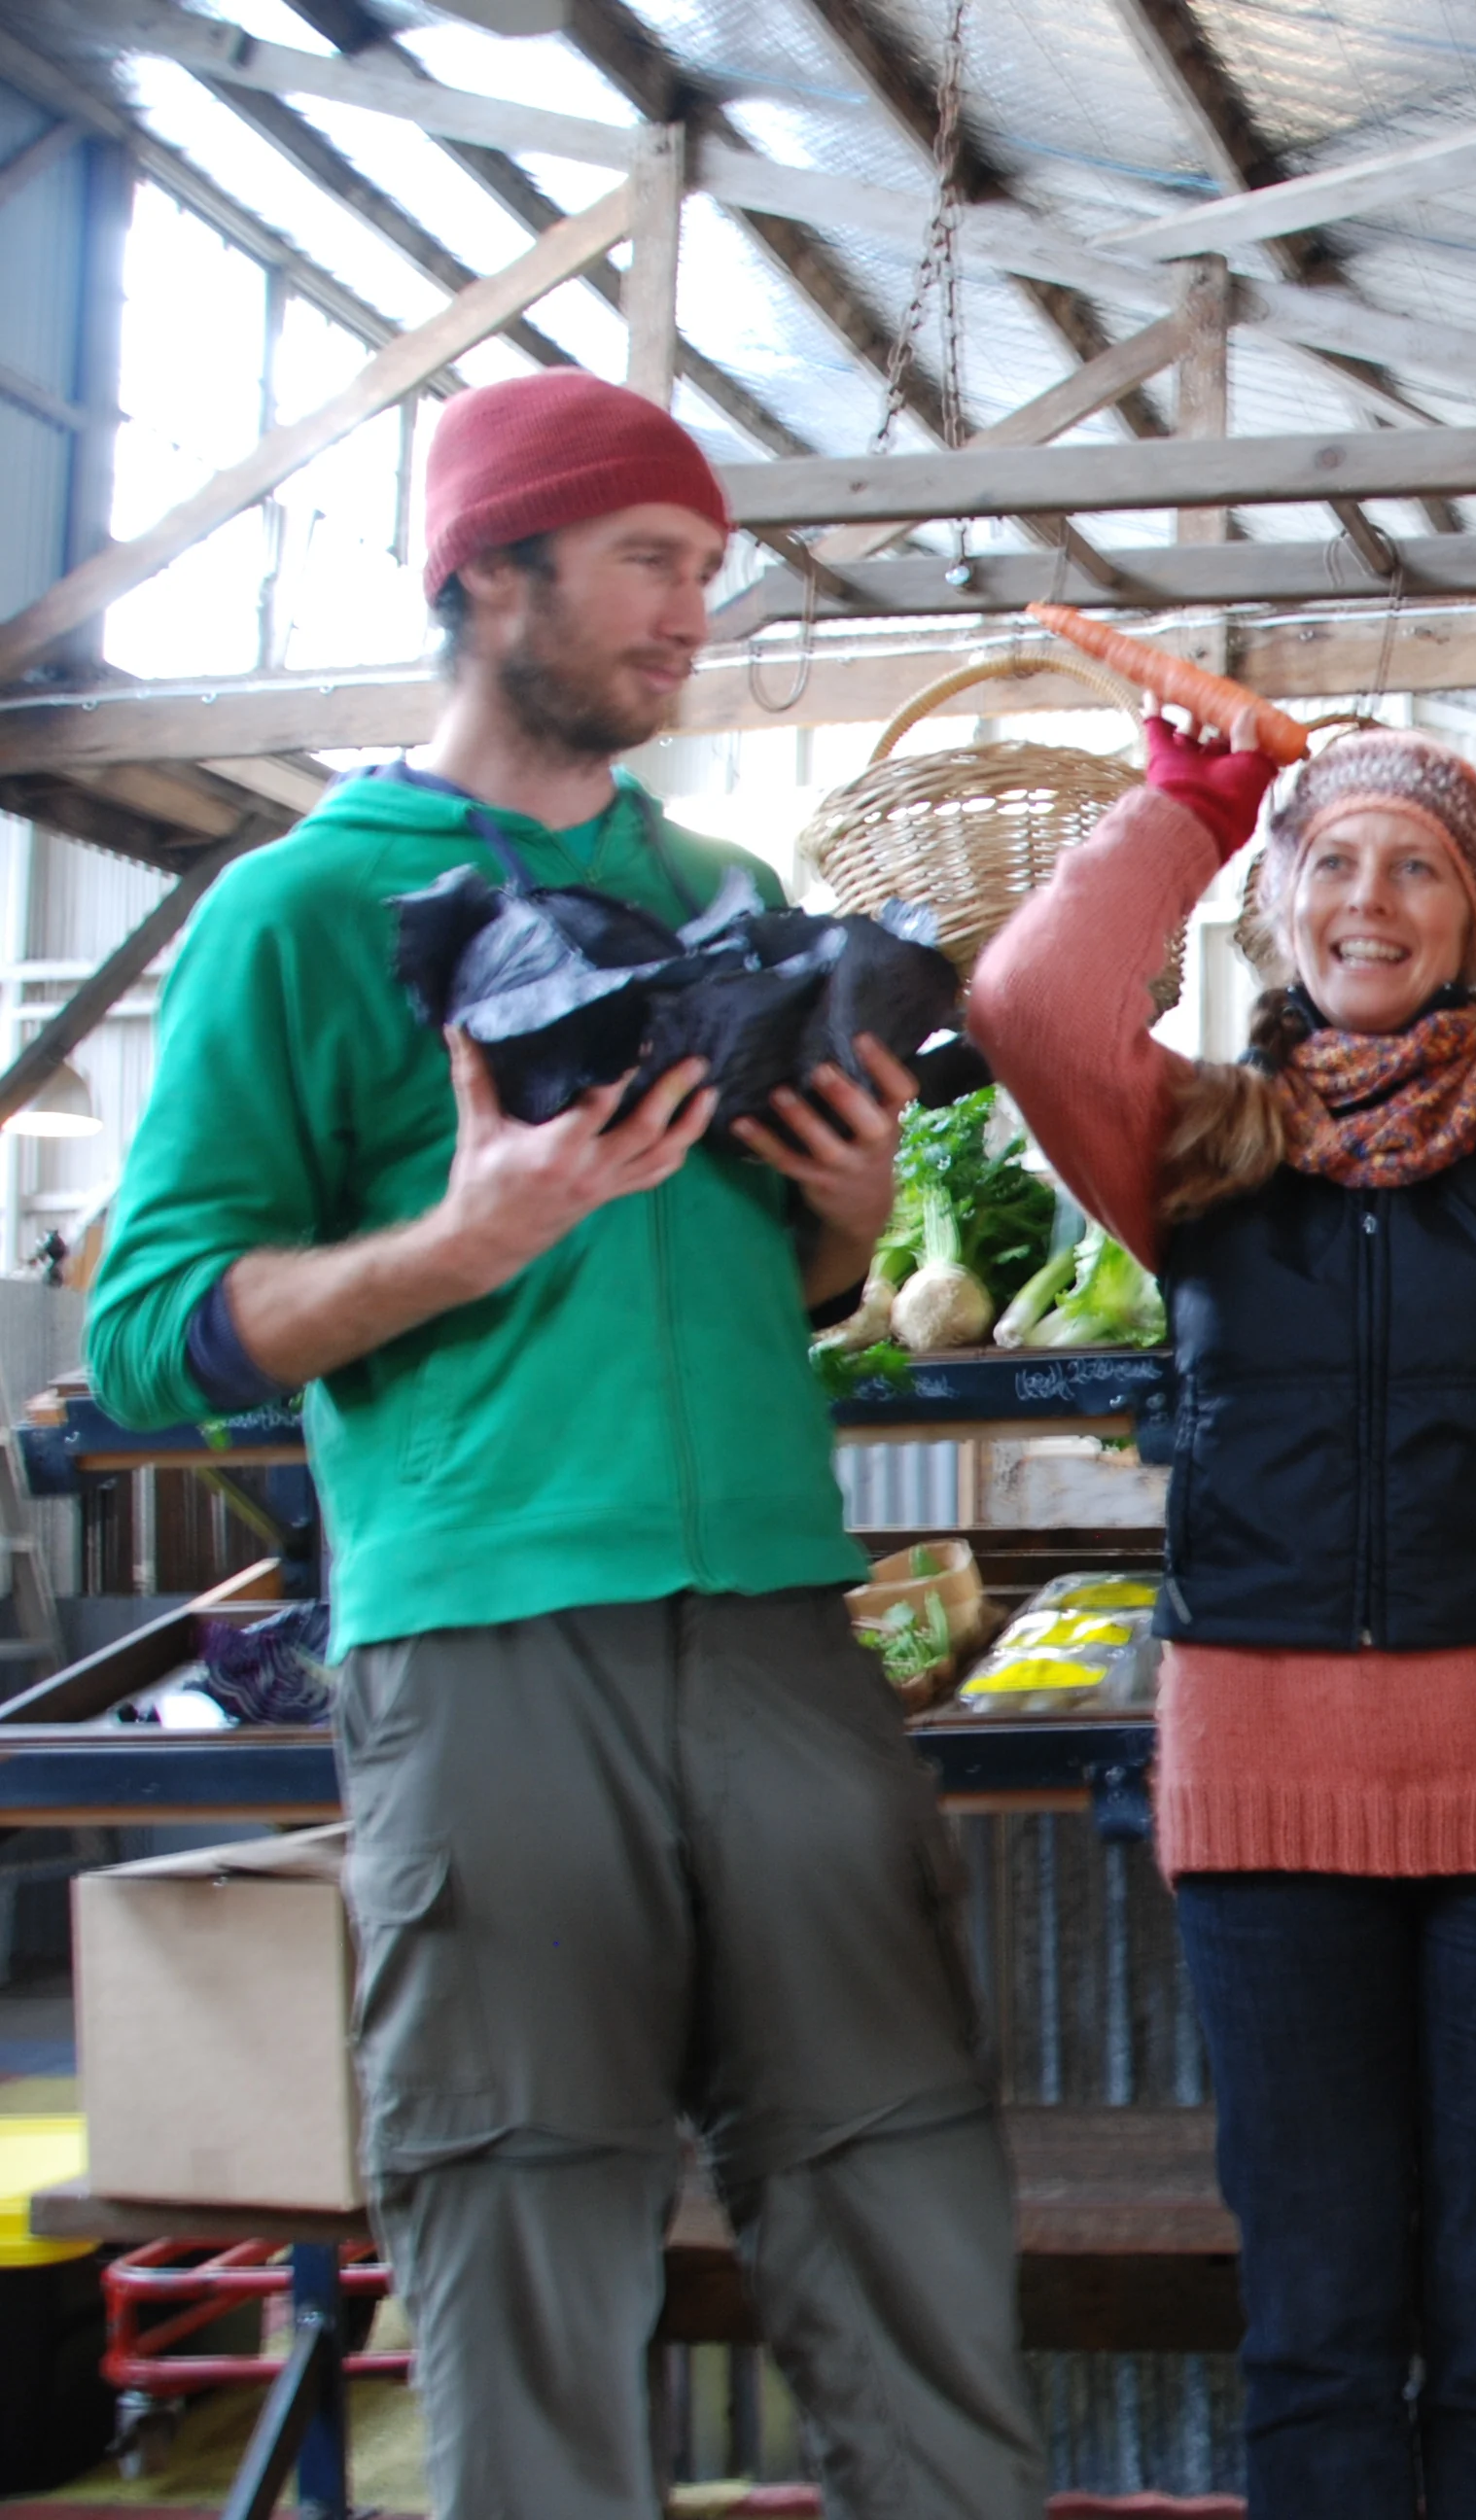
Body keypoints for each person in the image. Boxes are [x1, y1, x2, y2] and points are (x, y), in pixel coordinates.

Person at [84, 371, 1043, 2518]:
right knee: (523, 2207)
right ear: (485, 572)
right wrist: (458, 1237)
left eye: (706, 571)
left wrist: (853, 1217)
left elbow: (769, 1290)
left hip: (789, 1625)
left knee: (902, 2185)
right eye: (645, 561)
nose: (692, 614)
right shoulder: (299, 913)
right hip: (491, 1635)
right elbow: (155, 1336)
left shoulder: (726, 891)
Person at [968, 675, 1476, 2509]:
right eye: (1332, 859)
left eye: (1420, 867)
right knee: (1320, 2318)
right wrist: (1184, 804)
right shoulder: (1186, 1136)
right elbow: (1026, 1000)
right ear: (1279, 909)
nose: (1370, 898)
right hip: (1267, 1807)